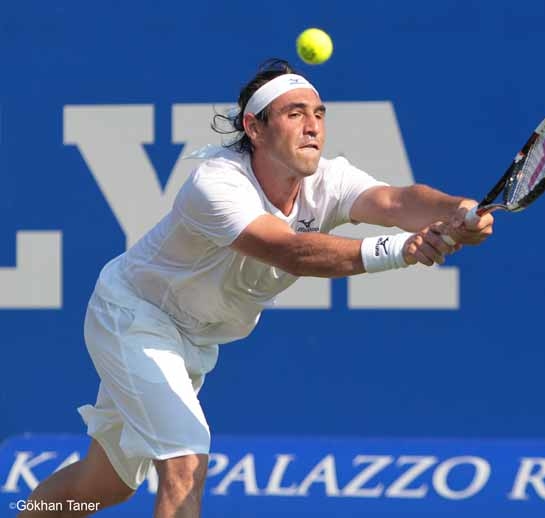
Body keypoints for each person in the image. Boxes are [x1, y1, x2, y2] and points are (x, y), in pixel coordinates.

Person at [20, 58, 493, 517]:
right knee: (185, 462)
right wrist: (402, 249)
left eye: (319, 113)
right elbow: (291, 252)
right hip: (134, 317)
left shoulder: (330, 179)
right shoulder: (215, 184)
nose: (313, 126)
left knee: (102, 486)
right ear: (255, 128)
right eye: (295, 114)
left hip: (192, 339)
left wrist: (457, 211)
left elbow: (396, 200)